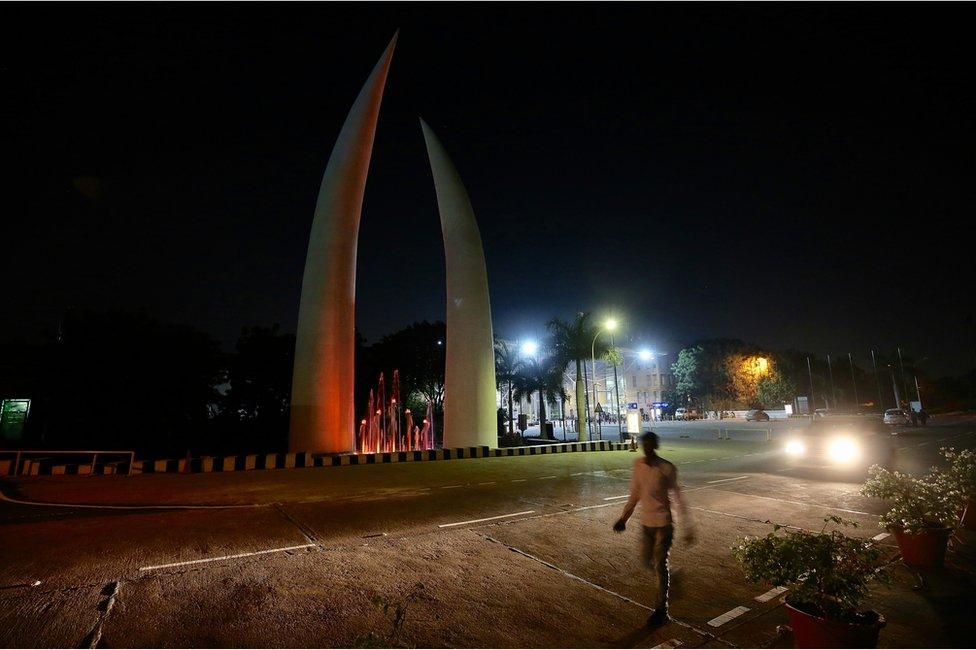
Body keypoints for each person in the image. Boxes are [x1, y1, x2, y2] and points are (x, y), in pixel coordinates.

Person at [613, 431, 695, 627]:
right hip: (646, 524)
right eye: (644, 445)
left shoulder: (667, 468)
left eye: (650, 445)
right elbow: (635, 494)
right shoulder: (638, 465)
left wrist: (688, 527)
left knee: (659, 564)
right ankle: (671, 576)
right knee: (647, 561)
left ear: (656, 446)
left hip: (664, 525)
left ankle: (661, 609)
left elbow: (678, 497)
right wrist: (624, 518)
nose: (647, 449)